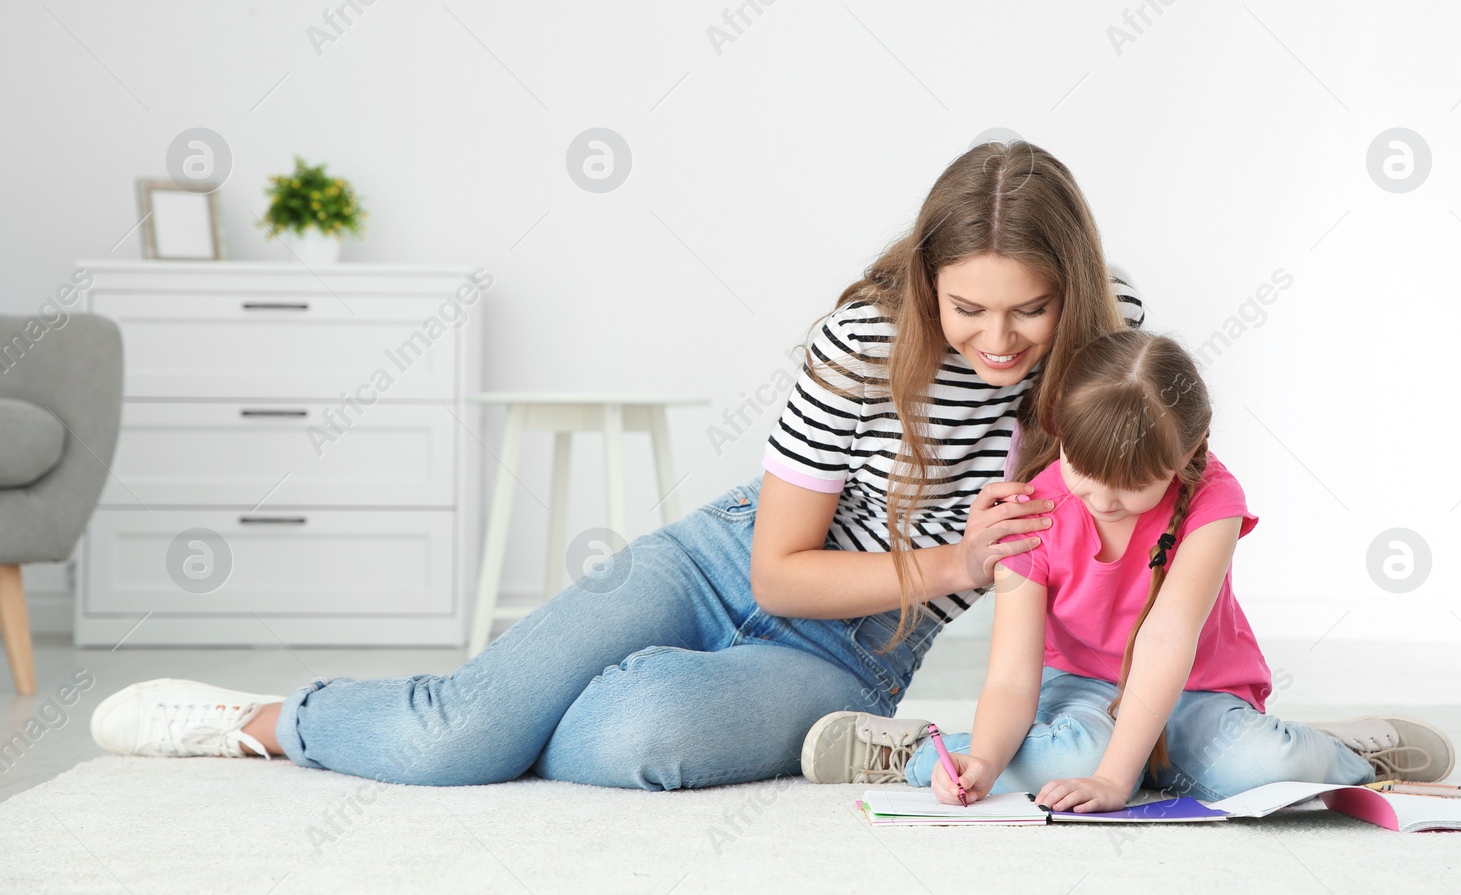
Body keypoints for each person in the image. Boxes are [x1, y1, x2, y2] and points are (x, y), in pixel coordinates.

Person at [91, 140, 1146, 790]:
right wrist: (955, 562)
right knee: (453, 741)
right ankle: (266, 720)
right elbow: (779, 570)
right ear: (928, 283)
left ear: (1075, 289)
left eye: (1030, 310)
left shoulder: (1109, 347)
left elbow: (1131, 535)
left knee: (640, 737)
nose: (999, 339)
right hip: (720, 563)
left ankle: (530, 712)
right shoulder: (866, 336)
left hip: (849, 661)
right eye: (968, 309)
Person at [801, 330, 1455, 808]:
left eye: (1134, 486)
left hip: (1197, 690)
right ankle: (927, 748)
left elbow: (1168, 639)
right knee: (1068, 757)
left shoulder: (1213, 497)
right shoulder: (1033, 509)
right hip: (1080, 691)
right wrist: (987, 760)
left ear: (1188, 451)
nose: (1107, 502)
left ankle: (1347, 751)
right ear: (1061, 430)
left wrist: (1117, 779)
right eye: (1088, 478)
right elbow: (1011, 674)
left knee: (1261, 765)